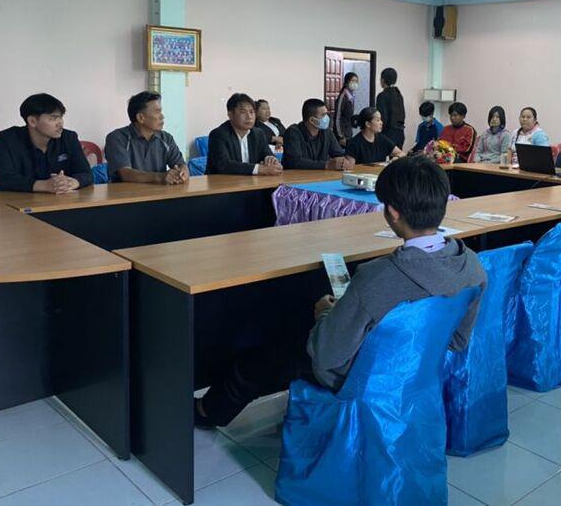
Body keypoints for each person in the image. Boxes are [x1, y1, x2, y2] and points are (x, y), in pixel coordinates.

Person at [193, 155, 488, 428]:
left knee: (257, 363)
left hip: (362, 376)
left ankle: (209, 411)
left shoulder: (377, 277)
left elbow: (325, 357)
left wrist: (326, 315)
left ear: (392, 213)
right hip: (416, 370)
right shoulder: (474, 268)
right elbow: (458, 341)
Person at [0, 93, 92, 193]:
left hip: (63, 199)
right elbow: (4, 179)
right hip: (20, 201)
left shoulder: (69, 137)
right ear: (32, 121)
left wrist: (70, 183)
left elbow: (86, 173)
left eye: (60, 117)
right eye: (53, 118)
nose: (60, 123)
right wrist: (44, 185)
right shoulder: (7, 139)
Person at [105, 91, 189, 185]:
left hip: (159, 193)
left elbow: (181, 164)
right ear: (141, 118)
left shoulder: (166, 138)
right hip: (126, 194)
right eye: (157, 112)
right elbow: (125, 174)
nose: (162, 116)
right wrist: (160, 177)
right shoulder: (117, 138)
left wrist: (182, 173)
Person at [205, 93, 283, 176]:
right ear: (230, 114)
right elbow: (224, 165)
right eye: (243, 112)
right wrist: (259, 169)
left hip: (251, 182)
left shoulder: (258, 134)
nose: (249, 116)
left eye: (252, 112)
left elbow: (268, 154)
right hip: (222, 182)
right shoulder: (218, 134)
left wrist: (272, 161)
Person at [283, 98, 355, 171]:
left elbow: (339, 154)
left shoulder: (327, 132)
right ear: (312, 120)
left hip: (321, 175)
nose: (327, 118)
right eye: (323, 115)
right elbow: (295, 162)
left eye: (327, 114)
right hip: (296, 176)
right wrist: (326, 165)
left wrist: (344, 161)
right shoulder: (293, 132)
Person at [375, 67, 406, 149]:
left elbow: (382, 117)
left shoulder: (382, 96)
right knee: (398, 155)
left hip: (388, 134)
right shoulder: (399, 95)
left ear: (382, 80)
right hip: (400, 133)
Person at [334, 72, 359, 146]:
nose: (355, 83)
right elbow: (337, 118)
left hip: (348, 132)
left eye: (356, 81)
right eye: (353, 81)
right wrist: (340, 136)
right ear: (347, 82)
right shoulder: (343, 97)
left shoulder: (351, 96)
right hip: (342, 134)